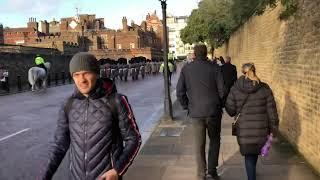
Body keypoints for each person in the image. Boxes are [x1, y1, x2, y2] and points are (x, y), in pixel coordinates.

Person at [40, 52, 141, 180]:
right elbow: (59, 145)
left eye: (86, 73)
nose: (81, 80)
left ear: (96, 74)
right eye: (76, 75)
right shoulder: (68, 104)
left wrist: (117, 170)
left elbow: (134, 139)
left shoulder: (117, 101)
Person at [176, 44, 225, 180]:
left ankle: (201, 175)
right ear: (206, 54)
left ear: (194, 54)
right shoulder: (215, 68)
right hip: (213, 111)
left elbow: (180, 92)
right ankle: (212, 171)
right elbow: (222, 91)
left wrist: (187, 106)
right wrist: (219, 105)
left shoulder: (186, 69)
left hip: (196, 113)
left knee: (199, 145)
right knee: (215, 140)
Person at [225, 63, 279, 180]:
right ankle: (252, 174)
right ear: (255, 71)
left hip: (244, 130)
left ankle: (251, 176)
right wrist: (274, 128)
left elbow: (230, 110)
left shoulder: (235, 88)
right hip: (260, 129)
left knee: (249, 155)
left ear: (243, 72)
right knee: (253, 153)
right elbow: (272, 111)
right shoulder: (264, 88)